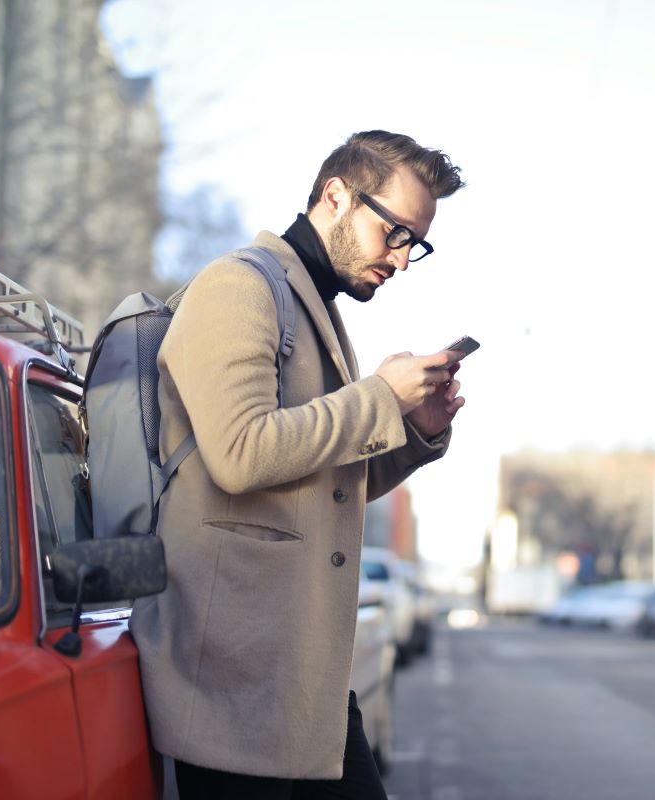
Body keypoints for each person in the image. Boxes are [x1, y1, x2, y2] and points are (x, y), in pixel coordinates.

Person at [130, 130, 467, 799]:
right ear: (336, 197)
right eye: (394, 232)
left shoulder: (315, 312)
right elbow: (241, 452)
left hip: (298, 679)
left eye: (415, 245)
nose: (401, 261)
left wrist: (413, 433)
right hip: (233, 685)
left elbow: (322, 483)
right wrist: (378, 398)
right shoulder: (239, 286)